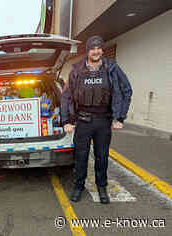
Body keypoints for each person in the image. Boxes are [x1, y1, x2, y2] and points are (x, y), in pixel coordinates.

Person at [61, 36, 132, 204]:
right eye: (92, 48)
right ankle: (78, 187)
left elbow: (126, 90)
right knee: (81, 157)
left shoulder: (112, 68)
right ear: (87, 51)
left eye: (99, 48)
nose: (96, 51)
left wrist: (119, 117)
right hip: (83, 121)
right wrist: (66, 121)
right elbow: (67, 96)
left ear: (102, 50)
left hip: (103, 121)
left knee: (102, 157)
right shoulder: (77, 70)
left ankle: (102, 187)